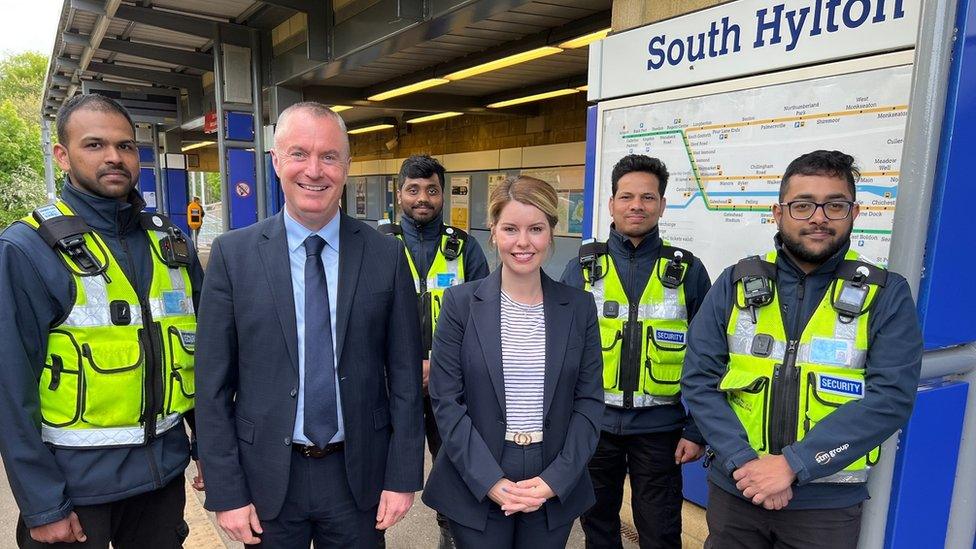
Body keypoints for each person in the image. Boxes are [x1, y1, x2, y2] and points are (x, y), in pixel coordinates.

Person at [195, 101, 425, 548]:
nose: (314, 171)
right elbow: (212, 386)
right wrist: (226, 490)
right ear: (276, 161)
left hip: (358, 479)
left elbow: (404, 379)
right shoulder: (232, 256)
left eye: (329, 156)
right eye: (299, 154)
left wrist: (402, 477)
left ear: (346, 165)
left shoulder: (385, 256)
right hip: (266, 481)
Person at [682, 150, 923, 548]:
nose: (818, 217)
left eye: (835, 205)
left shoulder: (886, 294)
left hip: (825, 506)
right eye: (803, 205)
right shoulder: (734, 283)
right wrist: (745, 463)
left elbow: (891, 398)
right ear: (778, 213)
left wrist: (795, 465)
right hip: (737, 491)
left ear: (855, 212)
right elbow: (700, 380)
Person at [0, 93, 204, 548]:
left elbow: (203, 358)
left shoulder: (169, 243)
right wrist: (42, 505)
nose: (114, 157)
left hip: (161, 484)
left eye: (126, 146)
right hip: (76, 492)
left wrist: (207, 449)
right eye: (94, 145)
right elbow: (10, 392)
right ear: (62, 155)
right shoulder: (27, 249)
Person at [422, 175, 605, 548]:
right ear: (493, 232)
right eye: (510, 228)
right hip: (478, 472)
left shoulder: (579, 307)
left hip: (551, 473)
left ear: (551, 232)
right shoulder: (460, 305)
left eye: (536, 228)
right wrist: (489, 480)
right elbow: (445, 401)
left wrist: (555, 479)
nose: (523, 242)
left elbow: (589, 402)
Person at [560, 154, 710, 549]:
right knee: (597, 525)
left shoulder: (688, 271)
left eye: (648, 197)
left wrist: (696, 430)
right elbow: (558, 351)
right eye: (627, 196)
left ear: (662, 204)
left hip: (660, 431)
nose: (637, 206)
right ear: (611, 204)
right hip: (593, 426)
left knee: (660, 530)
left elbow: (710, 357)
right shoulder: (581, 267)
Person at [377, 154, 489, 548]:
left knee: (456, 474)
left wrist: (437, 365)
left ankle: (452, 538)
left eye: (431, 190)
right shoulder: (378, 246)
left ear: (443, 194)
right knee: (378, 477)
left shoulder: (466, 249)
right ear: (400, 192)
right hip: (389, 387)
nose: (422, 198)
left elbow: (483, 320)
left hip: (452, 389)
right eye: (413, 190)